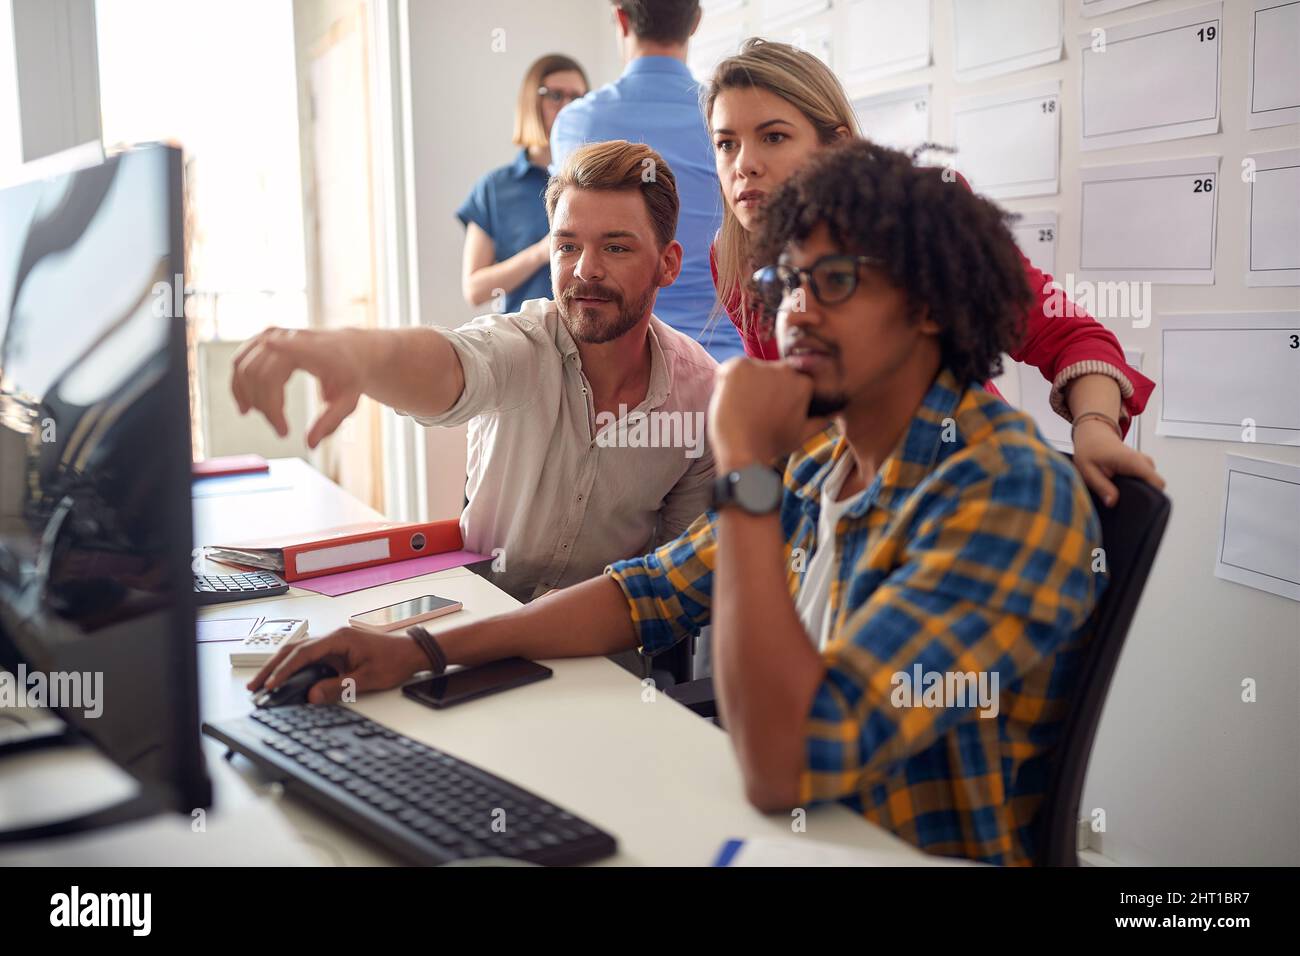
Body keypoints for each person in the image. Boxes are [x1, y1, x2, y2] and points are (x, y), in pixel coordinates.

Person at [250, 140, 1107, 867]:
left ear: (927, 302)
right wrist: (423, 650)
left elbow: (785, 760)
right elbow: (647, 592)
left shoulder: (1006, 490)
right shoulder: (826, 464)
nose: (798, 311)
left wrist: (743, 470)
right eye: (787, 282)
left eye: (835, 281)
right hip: (764, 832)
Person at [231, 140, 717, 604]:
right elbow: (452, 362)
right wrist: (358, 353)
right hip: (477, 625)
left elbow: (669, 585)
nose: (585, 270)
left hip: (605, 650)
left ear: (667, 264)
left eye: (616, 248)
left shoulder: (701, 395)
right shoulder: (524, 345)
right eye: (567, 247)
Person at [706, 39, 1164, 506]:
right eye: (726, 144)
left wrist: (1095, 429)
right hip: (841, 491)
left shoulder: (919, 223)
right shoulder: (734, 256)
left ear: (837, 145)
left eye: (773, 137)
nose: (744, 166)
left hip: (957, 480)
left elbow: (1070, 334)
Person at [550, 0, 743, 360]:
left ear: (621, 19)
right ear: (695, 22)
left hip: (614, 361)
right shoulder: (725, 120)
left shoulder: (576, 123)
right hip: (721, 358)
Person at [459, 54, 588, 314]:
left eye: (577, 99)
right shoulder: (494, 188)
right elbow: (474, 289)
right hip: (522, 342)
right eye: (555, 95)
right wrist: (541, 252)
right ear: (531, 102)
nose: (566, 108)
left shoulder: (596, 183)